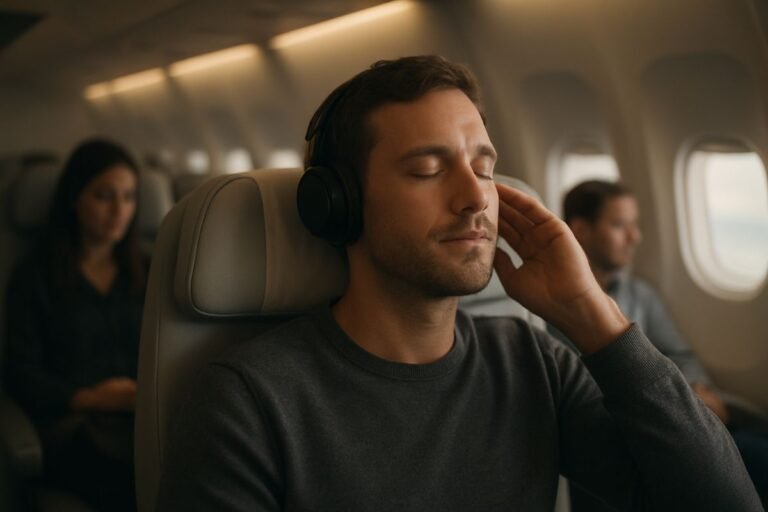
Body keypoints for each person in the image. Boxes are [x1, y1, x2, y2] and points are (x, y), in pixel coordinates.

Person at [156, 56, 761, 510]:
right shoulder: (250, 401)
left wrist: (592, 314)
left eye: (484, 168)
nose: (476, 197)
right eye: (427, 169)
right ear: (339, 205)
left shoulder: (532, 362)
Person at [557, 178, 768, 507]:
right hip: (637, 430)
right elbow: (582, 391)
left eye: (634, 224)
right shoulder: (555, 306)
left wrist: (696, 389)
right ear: (581, 230)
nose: (635, 237)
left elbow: (680, 353)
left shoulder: (640, 294)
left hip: (683, 413)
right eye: (619, 225)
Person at [4, 138, 146, 511]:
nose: (119, 210)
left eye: (129, 197)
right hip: (69, 421)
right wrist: (95, 398)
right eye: (104, 196)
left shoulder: (149, 270)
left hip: (139, 415)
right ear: (74, 198)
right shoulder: (35, 275)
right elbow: (21, 372)